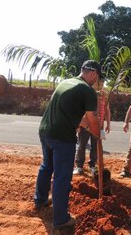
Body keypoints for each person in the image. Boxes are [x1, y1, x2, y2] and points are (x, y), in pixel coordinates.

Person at [33, 60, 102, 230]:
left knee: (46, 166)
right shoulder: (87, 90)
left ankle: (40, 200)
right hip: (62, 137)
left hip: (45, 131)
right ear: (93, 73)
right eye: (98, 78)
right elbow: (92, 118)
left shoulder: (66, 83)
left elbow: (73, 114)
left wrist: (86, 126)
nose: (97, 81)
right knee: (62, 177)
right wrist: (98, 135)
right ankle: (61, 218)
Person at [73, 80, 111, 176]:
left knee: (95, 146)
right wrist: (78, 124)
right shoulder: (87, 93)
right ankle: (79, 166)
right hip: (85, 124)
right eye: (98, 82)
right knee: (82, 145)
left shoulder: (104, 95)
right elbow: (79, 109)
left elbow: (107, 109)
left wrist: (108, 123)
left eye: (101, 83)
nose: (99, 84)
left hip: (99, 125)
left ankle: (92, 165)